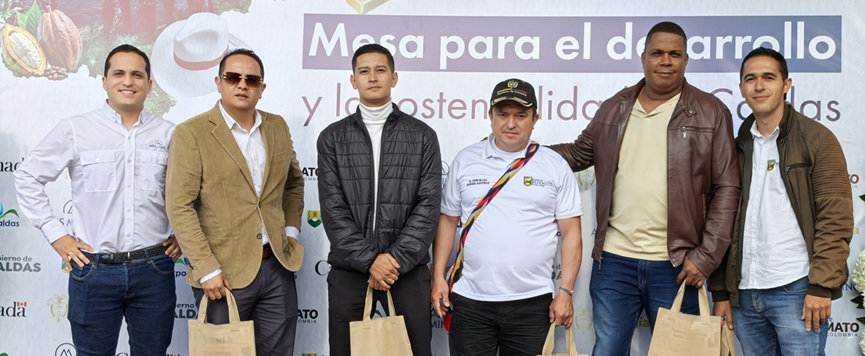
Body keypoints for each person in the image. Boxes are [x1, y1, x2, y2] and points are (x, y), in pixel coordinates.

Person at [548, 21, 740, 355]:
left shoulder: (711, 112)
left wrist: (706, 257)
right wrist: (525, 153)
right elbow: (580, 153)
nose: (666, 61)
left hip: (678, 264)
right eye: (657, 53)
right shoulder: (616, 106)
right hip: (614, 262)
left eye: (674, 54)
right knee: (607, 349)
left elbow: (727, 187)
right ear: (643, 58)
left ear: (685, 61)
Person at [14, 44, 180, 356]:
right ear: (104, 81)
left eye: (136, 74)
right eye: (119, 73)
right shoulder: (76, 129)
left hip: (154, 270)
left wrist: (183, 235)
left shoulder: (171, 134)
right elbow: (27, 176)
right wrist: (57, 236)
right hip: (93, 271)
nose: (127, 81)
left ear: (149, 84)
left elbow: (194, 191)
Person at [709, 47, 853, 356]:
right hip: (745, 295)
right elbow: (722, 221)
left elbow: (835, 219)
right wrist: (721, 290)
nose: (759, 86)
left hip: (798, 289)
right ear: (741, 89)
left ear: (786, 85)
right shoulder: (735, 148)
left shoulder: (817, 140)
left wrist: (820, 286)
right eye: (750, 79)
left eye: (768, 77)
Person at [165, 48, 304, 356]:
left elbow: (294, 182)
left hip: (277, 268)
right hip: (222, 274)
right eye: (233, 77)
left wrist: (290, 234)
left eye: (252, 79)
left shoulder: (277, 126)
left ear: (262, 88)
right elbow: (179, 205)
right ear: (219, 83)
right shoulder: (192, 132)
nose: (242, 85)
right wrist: (206, 269)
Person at [431, 78, 583, 356]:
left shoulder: (554, 165)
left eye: (520, 115)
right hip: (470, 300)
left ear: (535, 119)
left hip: (532, 303)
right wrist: (438, 276)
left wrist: (566, 292)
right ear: (490, 116)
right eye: (502, 114)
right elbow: (448, 221)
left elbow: (572, 233)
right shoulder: (465, 160)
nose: (510, 123)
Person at [317, 43, 441, 356]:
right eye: (364, 71)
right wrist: (371, 260)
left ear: (394, 78)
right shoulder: (332, 137)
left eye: (380, 70)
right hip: (350, 271)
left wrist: (393, 260)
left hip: (407, 272)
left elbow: (427, 207)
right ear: (353, 80)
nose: (373, 77)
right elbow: (333, 210)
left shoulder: (423, 136)